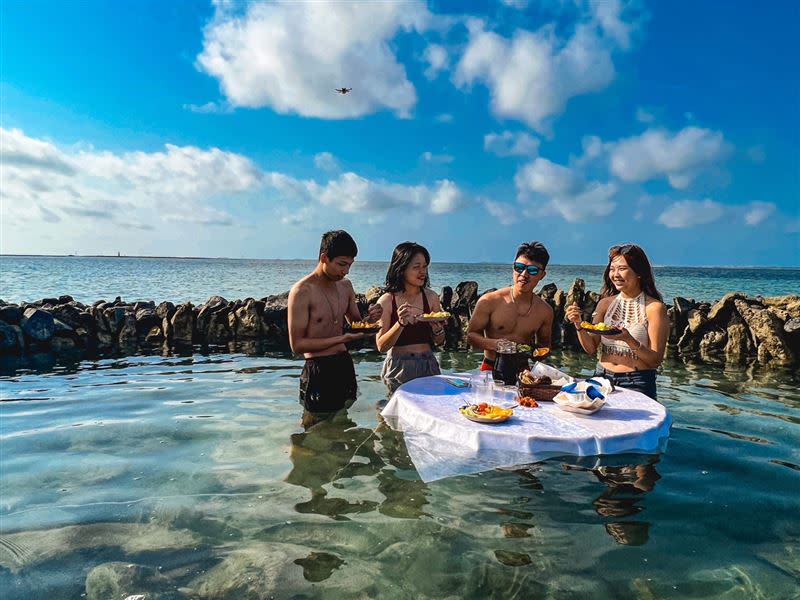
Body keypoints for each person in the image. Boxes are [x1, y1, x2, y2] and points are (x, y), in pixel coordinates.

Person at [288, 230, 382, 423]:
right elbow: (296, 345)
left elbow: (357, 325)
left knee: (343, 422)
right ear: (324, 258)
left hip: (344, 365)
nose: (346, 271)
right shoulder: (302, 291)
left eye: (349, 265)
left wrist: (371, 319)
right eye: (341, 264)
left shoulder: (345, 286)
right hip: (318, 368)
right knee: (313, 425)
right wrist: (342, 339)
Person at [565, 243, 668, 400]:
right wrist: (578, 324)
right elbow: (591, 348)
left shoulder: (655, 308)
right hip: (601, 377)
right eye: (612, 269)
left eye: (622, 269)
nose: (615, 274)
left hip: (637, 382)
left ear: (639, 272)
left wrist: (628, 340)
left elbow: (655, 361)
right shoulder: (604, 304)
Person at [467, 241, 554, 372]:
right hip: (492, 366)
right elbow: (471, 336)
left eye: (532, 270)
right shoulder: (490, 300)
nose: (524, 274)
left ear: (542, 275)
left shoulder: (545, 311)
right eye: (519, 267)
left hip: (523, 370)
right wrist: (495, 344)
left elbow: (544, 347)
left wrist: (537, 353)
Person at [376, 242, 446, 393]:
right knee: (398, 414)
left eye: (425, 266)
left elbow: (439, 342)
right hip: (399, 366)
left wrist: (438, 331)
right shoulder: (387, 301)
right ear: (401, 269)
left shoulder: (431, 297)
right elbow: (381, 346)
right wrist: (400, 323)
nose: (423, 272)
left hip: (428, 363)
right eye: (416, 267)